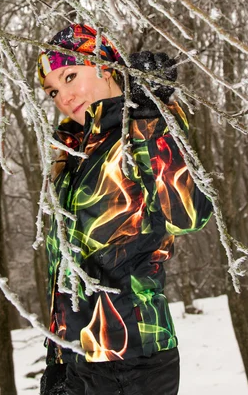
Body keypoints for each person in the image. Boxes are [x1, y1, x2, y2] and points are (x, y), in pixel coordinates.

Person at [37, 24, 213, 395]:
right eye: (53, 90)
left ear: (105, 64)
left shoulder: (143, 125)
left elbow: (189, 216)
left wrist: (150, 111)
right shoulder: (71, 151)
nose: (64, 97)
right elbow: (66, 263)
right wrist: (58, 355)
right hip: (77, 356)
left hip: (132, 356)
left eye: (71, 76)